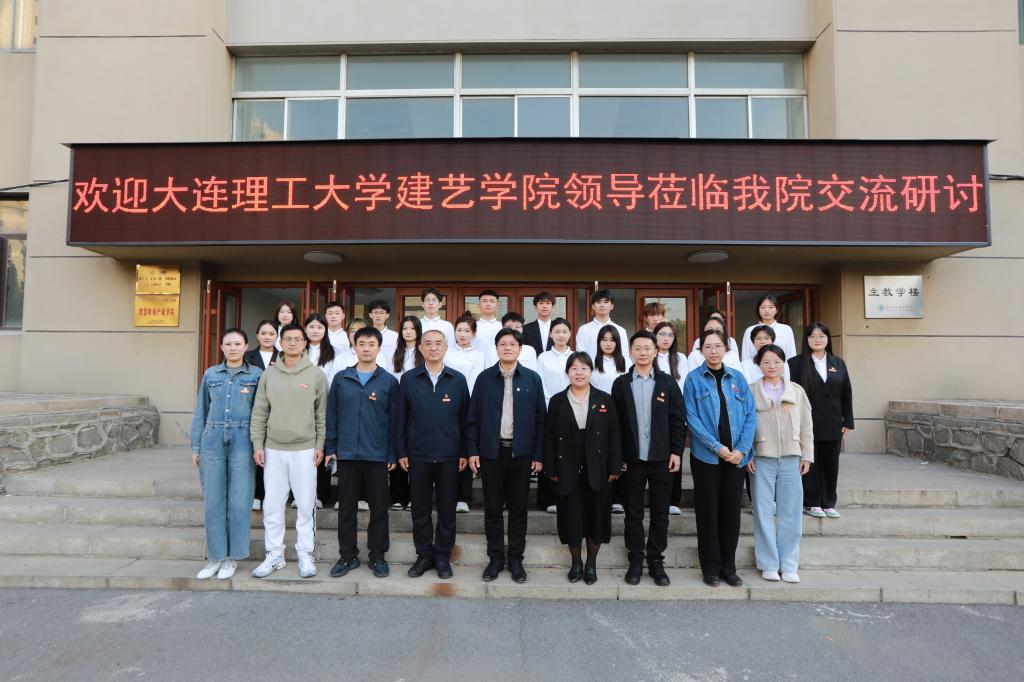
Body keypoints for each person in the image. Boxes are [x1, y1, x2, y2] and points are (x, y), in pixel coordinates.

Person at [466, 328, 546, 584]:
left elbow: (541, 420)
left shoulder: (532, 379)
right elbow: (472, 418)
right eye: (503, 344)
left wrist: (538, 454)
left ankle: (516, 560)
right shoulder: (484, 379)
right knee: (492, 508)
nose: (508, 348)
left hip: (521, 453)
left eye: (512, 344)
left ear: (520, 349)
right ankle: (495, 558)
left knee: (518, 509)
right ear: (496, 348)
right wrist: (473, 450)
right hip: (492, 453)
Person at [250, 323, 327, 580]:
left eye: (298, 339)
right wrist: (258, 444)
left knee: (305, 505)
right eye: (288, 339)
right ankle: (274, 554)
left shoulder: (315, 374)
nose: (293, 343)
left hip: (305, 449)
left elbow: (321, 414)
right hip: (274, 448)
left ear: (305, 343)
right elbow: (260, 412)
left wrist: (320, 444)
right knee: (272, 504)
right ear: (280, 343)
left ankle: (305, 553)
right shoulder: (269, 375)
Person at [612, 331, 686, 587]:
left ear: (656, 352)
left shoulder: (668, 383)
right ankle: (635, 560)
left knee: (660, 513)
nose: (643, 353)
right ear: (630, 352)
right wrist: (618, 456)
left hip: (662, 460)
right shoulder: (621, 384)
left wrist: (676, 451)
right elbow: (615, 425)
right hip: (632, 460)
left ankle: (655, 561)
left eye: (647, 348)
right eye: (638, 348)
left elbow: (678, 420)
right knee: (633, 513)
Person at [683, 328, 757, 588]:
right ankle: (711, 568)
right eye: (708, 347)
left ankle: (729, 567)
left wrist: (742, 450)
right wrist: (717, 448)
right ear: (701, 351)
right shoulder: (693, 379)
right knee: (708, 513)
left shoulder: (738, 377)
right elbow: (692, 418)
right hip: (706, 457)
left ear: (726, 348)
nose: (713, 351)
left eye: (718, 346)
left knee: (730, 513)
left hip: (736, 458)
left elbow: (751, 415)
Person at [325, 327, 399, 579]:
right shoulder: (341, 378)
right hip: (347, 454)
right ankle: (348, 555)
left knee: (379, 509)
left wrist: (392, 453)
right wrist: (331, 447)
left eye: (371, 344)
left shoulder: (389, 381)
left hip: (377, 455)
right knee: (346, 509)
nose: (366, 348)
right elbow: (332, 415)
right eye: (362, 344)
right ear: (354, 347)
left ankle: (377, 556)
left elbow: (394, 421)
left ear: (379, 348)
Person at [395, 329, 471, 580]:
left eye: (438, 343)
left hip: (450, 456)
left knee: (447, 509)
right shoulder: (409, 379)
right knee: (420, 509)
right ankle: (424, 554)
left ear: (446, 348)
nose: (433, 348)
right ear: (420, 348)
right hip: (418, 455)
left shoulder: (458, 380)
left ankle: (442, 556)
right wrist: (401, 450)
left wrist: (464, 451)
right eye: (428, 344)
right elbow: (400, 417)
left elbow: (466, 420)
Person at [190, 328, 262, 580]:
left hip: (243, 439)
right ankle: (216, 556)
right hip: (212, 439)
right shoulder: (211, 374)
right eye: (228, 344)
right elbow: (200, 411)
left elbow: (261, 414)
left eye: (237, 344)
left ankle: (233, 557)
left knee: (240, 500)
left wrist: (259, 445)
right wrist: (196, 447)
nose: (233, 348)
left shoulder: (256, 375)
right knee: (213, 500)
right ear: (221, 347)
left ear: (246, 346)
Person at [544, 352, 622, 584]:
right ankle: (576, 562)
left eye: (584, 368)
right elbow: (549, 436)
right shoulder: (557, 401)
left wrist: (615, 466)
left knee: (596, 517)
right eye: (574, 368)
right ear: (567, 372)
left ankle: (591, 564)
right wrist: (550, 468)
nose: (579, 373)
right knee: (572, 517)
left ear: (591, 371)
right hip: (567, 464)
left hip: (598, 465)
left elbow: (615, 434)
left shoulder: (604, 399)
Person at [748, 343, 813, 584]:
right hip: (761, 458)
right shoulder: (750, 391)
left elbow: (807, 425)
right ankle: (769, 564)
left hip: (791, 458)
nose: (771, 366)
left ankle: (789, 564)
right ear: (759, 364)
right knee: (763, 512)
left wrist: (807, 455)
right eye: (766, 362)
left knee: (791, 513)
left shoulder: (796, 391)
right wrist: (747, 454)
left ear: (783, 363)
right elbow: (745, 426)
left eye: (776, 361)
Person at [788, 322, 854, 520]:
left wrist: (848, 420)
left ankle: (828, 503)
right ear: (806, 339)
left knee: (831, 463)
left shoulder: (838, 363)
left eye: (821, 336)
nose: (817, 340)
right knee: (810, 462)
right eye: (812, 336)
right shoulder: (795, 363)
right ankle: (812, 502)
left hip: (833, 421)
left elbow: (846, 392)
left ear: (828, 339)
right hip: (807, 420)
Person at [444, 312, 486, 514]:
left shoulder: (479, 355)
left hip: (470, 404)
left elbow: (477, 380)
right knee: (449, 449)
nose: (462, 334)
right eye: (459, 330)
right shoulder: (447, 352)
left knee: (467, 448)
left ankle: (463, 497)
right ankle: (448, 494)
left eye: (466, 331)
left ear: (473, 334)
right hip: (447, 404)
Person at [589, 324, 632, 515]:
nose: (608, 343)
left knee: (619, 454)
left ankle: (618, 498)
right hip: (597, 414)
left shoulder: (627, 362)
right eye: (604, 339)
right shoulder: (592, 362)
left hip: (621, 413)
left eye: (612, 340)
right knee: (600, 454)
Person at [303, 312, 343, 509]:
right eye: (311, 327)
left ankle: (321, 494)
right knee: (303, 451)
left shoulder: (334, 352)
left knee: (322, 448)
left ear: (325, 330)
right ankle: (302, 495)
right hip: (300, 406)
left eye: (319, 327)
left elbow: (334, 379)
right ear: (305, 329)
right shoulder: (299, 350)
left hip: (324, 405)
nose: (315, 330)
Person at [536, 317, 574, 514]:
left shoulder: (576, 357)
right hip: (549, 408)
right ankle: (548, 498)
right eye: (557, 331)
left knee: (569, 452)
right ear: (550, 334)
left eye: (564, 331)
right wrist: (549, 403)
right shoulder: (543, 358)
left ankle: (569, 495)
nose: (561, 335)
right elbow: (539, 383)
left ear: (570, 334)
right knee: (550, 451)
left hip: (573, 408)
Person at [386, 316, 424, 511]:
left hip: (419, 406)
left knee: (416, 451)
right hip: (397, 404)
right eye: (405, 328)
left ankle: (414, 496)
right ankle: (398, 496)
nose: (408, 332)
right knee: (398, 446)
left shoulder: (424, 352)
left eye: (412, 328)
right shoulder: (394, 352)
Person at [242, 319, 279, 511]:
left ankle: (272, 495)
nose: (267, 337)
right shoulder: (247, 356)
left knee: (272, 456)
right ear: (257, 335)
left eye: (271, 333)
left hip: (277, 410)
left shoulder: (283, 356)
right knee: (256, 453)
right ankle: (256, 495)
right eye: (263, 333)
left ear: (277, 336)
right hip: (252, 408)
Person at [653, 321, 687, 516]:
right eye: (662, 334)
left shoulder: (680, 358)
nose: (666, 339)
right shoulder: (649, 355)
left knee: (675, 454)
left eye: (670, 335)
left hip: (675, 411)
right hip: (655, 413)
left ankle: (673, 500)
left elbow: (685, 384)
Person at [576, 289, 629, 361]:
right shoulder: (583, 330)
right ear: (593, 306)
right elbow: (580, 357)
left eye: (606, 302)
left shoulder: (620, 330)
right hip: (591, 368)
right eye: (598, 302)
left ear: (612, 306)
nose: (602, 305)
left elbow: (624, 357)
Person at [741, 295, 797, 362]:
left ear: (776, 310)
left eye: (771, 307)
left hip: (781, 368)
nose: (767, 310)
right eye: (763, 307)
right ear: (758, 310)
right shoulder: (750, 330)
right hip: (755, 367)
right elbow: (746, 356)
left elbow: (791, 354)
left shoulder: (786, 329)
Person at [474, 289, 504, 367]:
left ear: (497, 305)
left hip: (498, 366)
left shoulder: (503, 327)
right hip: (475, 365)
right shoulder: (472, 327)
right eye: (484, 301)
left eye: (492, 301)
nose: (488, 304)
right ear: (479, 305)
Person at [523, 291, 557, 356]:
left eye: (548, 303)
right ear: (535, 307)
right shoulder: (526, 328)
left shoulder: (558, 328)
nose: (544, 306)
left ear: (553, 306)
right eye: (541, 303)